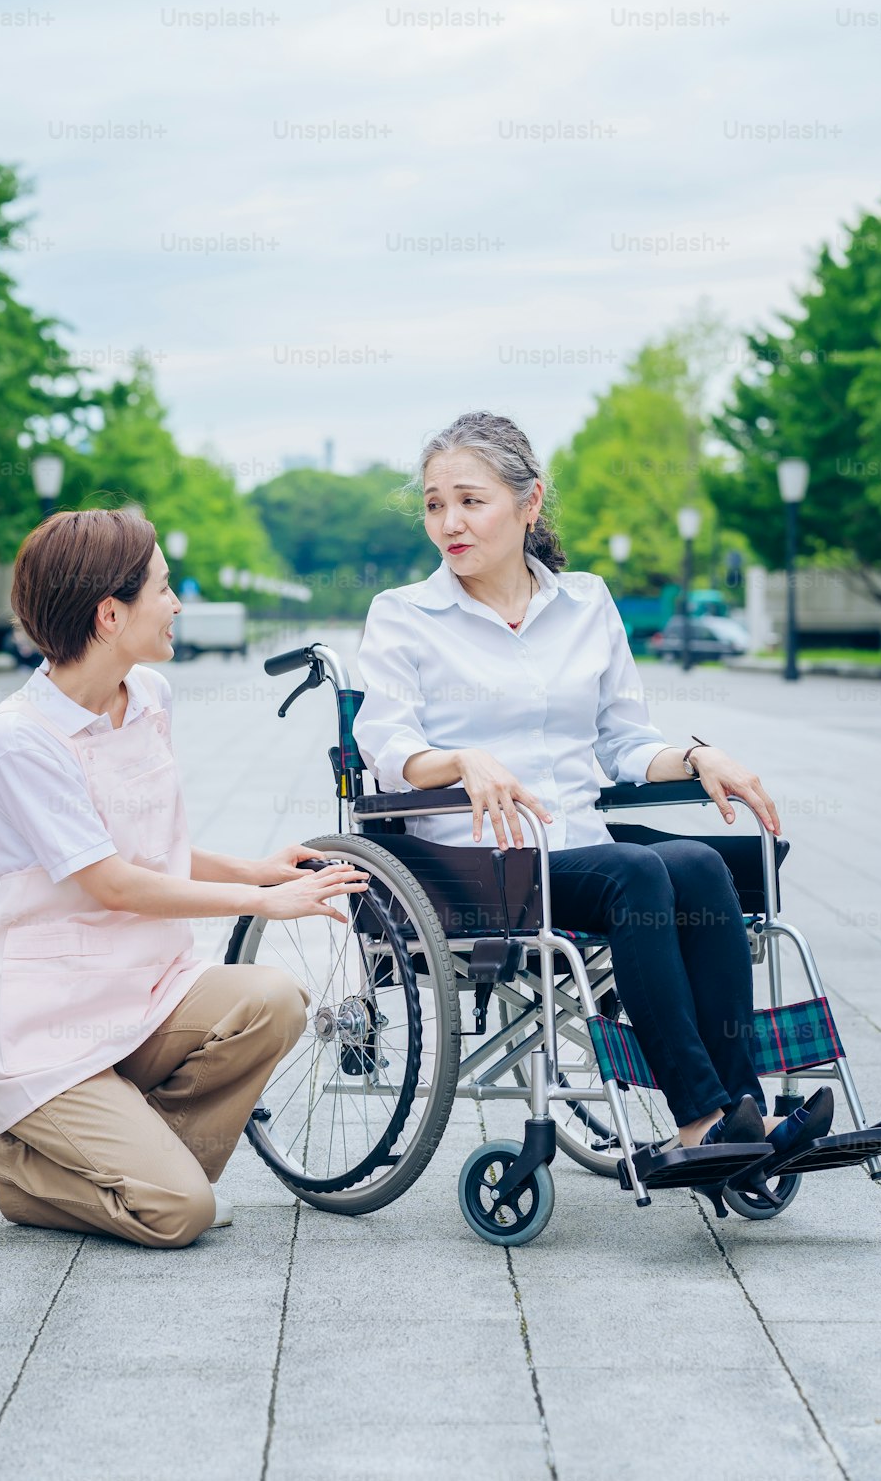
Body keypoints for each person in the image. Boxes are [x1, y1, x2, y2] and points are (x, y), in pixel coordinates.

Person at [354, 411, 834, 1164]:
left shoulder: (585, 603)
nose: (449, 521)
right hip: (476, 865)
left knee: (702, 865)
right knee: (637, 870)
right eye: (434, 503)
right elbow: (387, 746)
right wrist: (459, 760)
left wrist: (698, 757)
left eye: (470, 500)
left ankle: (744, 1112)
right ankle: (697, 1120)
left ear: (529, 503)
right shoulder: (405, 616)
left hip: (577, 851)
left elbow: (621, 740)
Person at [0, 509, 368, 1247]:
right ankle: (19, 1163)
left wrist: (257, 866)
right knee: (179, 1214)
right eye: (164, 588)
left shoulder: (149, 696)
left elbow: (154, 850)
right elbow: (114, 883)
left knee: (273, 1002)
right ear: (109, 613)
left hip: (147, 989)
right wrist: (263, 901)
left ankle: (120, 1147)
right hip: (48, 1020)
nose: (178, 604)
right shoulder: (24, 736)